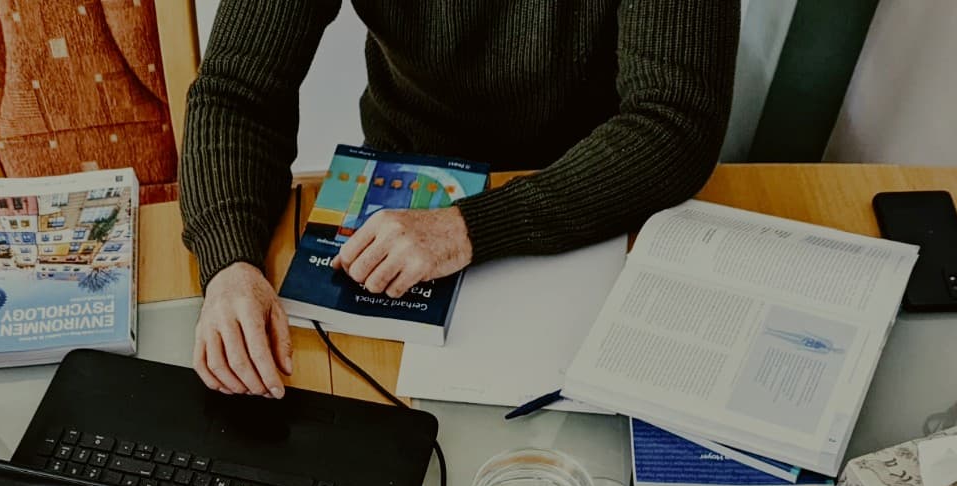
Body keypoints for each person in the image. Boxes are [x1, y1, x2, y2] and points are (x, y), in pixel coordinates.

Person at [180, 0, 740, 398]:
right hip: (405, 186)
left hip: (592, 189)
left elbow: (675, 120)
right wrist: (230, 262)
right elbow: (236, 92)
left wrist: (469, 227)